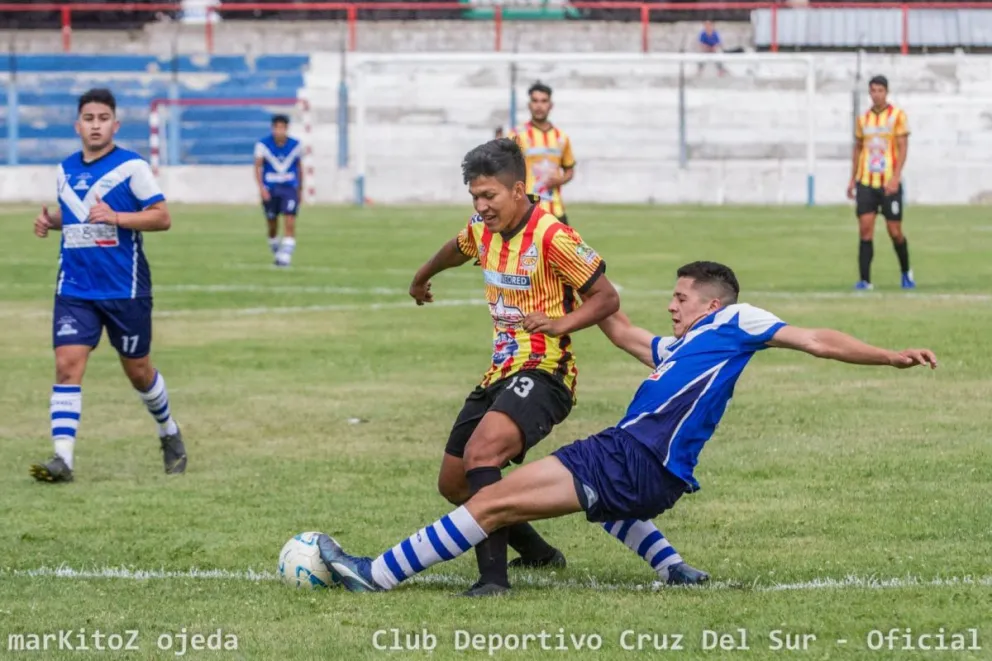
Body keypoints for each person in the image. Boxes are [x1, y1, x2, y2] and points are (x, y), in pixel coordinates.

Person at [316, 261, 937, 593]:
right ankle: (672, 567)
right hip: (655, 476)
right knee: (601, 501)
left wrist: (889, 355)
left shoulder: (738, 322)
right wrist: (574, 296)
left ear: (712, 303)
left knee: (494, 499)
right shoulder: (679, 350)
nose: (673, 305)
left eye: (681, 297)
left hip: (629, 456)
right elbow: (618, 327)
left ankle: (376, 574)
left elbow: (816, 339)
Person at [406, 137, 622, 596]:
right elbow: (459, 245)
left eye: (490, 196)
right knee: (454, 483)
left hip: (547, 371)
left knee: (482, 454)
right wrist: (423, 274)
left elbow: (607, 298)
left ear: (518, 190)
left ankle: (493, 581)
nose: (481, 206)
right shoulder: (482, 229)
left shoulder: (552, 235)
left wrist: (560, 322)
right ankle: (540, 553)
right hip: (501, 370)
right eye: (475, 197)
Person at [30, 88, 187, 483]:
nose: (95, 125)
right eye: (88, 118)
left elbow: (162, 217)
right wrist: (54, 223)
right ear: (77, 125)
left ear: (114, 125)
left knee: (138, 371)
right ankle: (63, 459)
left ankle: (168, 431)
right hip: (75, 288)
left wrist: (117, 216)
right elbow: (82, 218)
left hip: (125, 289)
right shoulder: (65, 169)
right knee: (67, 366)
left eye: (103, 118)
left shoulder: (132, 167)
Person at [846, 75, 913, 291]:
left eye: (880, 90)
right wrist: (852, 178)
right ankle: (865, 280)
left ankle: (906, 272)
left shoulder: (897, 116)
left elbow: (903, 147)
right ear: (869, 93)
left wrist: (895, 178)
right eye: (873, 91)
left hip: (889, 183)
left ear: (887, 92)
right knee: (865, 230)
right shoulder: (862, 120)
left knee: (895, 230)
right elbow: (858, 149)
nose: (876, 95)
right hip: (866, 181)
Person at [508, 83, 576, 225]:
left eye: (544, 101)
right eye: (535, 101)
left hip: (555, 210)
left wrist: (559, 181)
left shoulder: (561, 137)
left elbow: (569, 170)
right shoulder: (517, 135)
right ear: (529, 105)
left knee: (566, 247)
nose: (539, 106)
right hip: (526, 210)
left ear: (551, 105)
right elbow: (504, 168)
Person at [254, 114, 303, 267]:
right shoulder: (263, 145)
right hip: (271, 189)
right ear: (273, 128)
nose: (279, 131)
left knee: (290, 220)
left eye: (282, 128)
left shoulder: (296, 145)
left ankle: (285, 258)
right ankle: (277, 252)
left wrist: (300, 189)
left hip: (289, 188)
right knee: (272, 224)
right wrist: (261, 188)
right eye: (277, 127)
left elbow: (299, 167)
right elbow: (257, 166)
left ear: (287, 129)